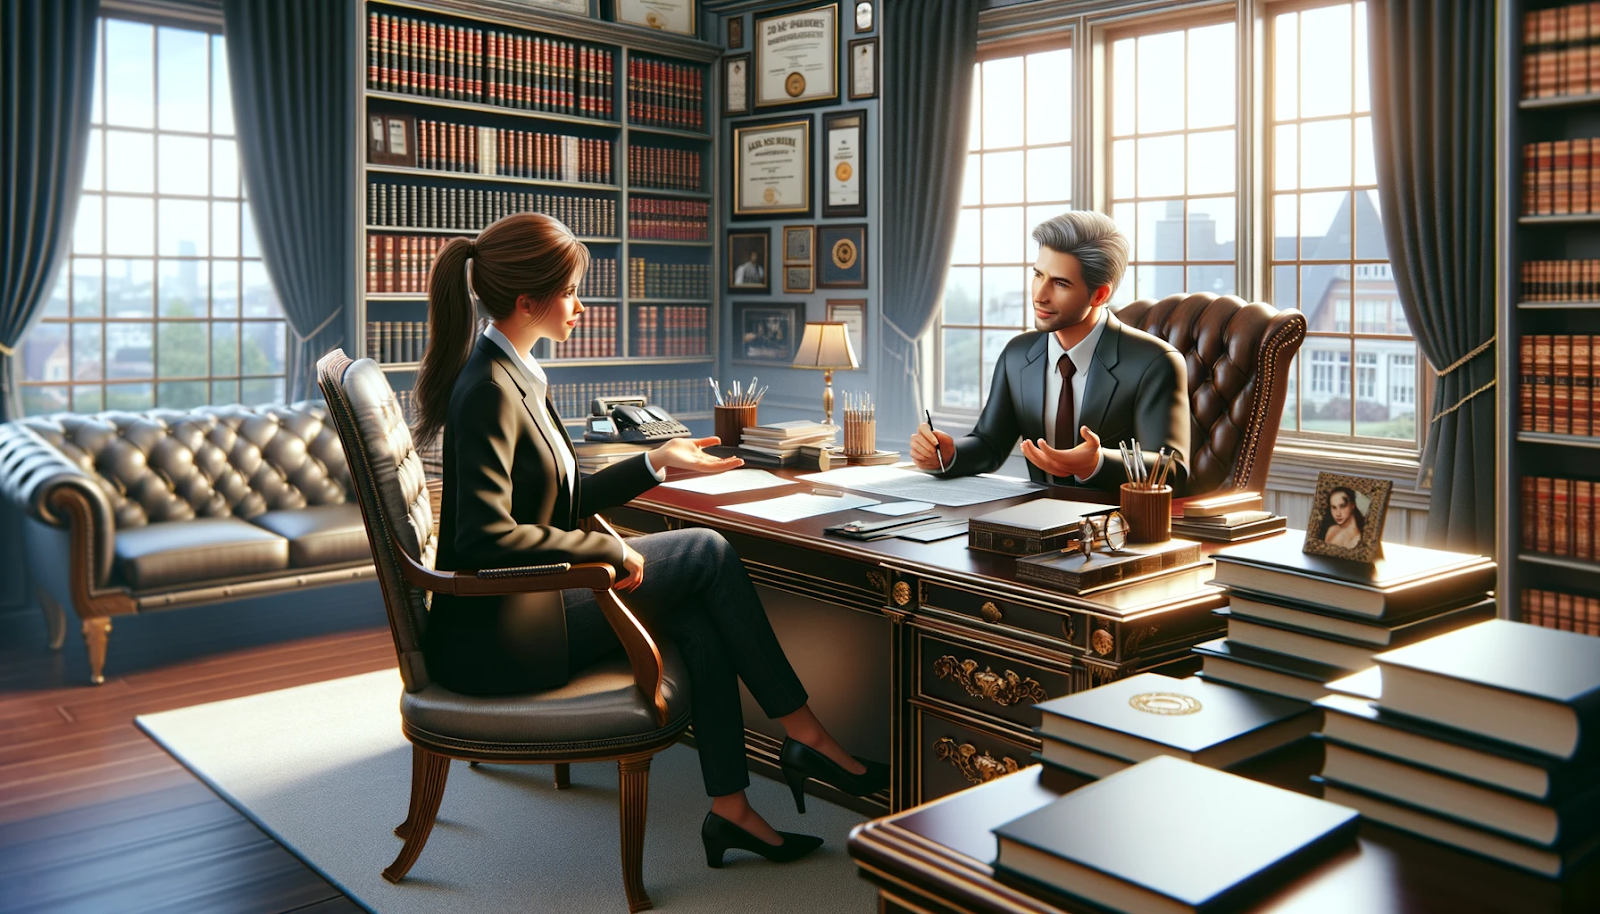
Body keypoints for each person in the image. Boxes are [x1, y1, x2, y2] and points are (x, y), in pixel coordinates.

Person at [411, 212, 887, 868]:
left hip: (527, 611)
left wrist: (662, 461)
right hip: (503, 638)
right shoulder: (488, 389)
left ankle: (733, 811)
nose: (581, 305)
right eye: (573, 291)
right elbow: (484, 535)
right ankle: (805, 735)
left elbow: (566, 497)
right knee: (708, 550)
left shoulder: (517, 371)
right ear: (528, 302)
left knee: (693, 602)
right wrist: (610, 550)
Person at [909, 211, 1192, 494]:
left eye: (1060, 283)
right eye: (1038, 275)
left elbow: (1172, 470)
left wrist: (1095, 463)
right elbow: (990, 445)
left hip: (1117, 527)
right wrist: (949, 454)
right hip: (1033, 522)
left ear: (1100, 295)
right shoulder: (1017, 354)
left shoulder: (1154, 363)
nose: (1039, 295)